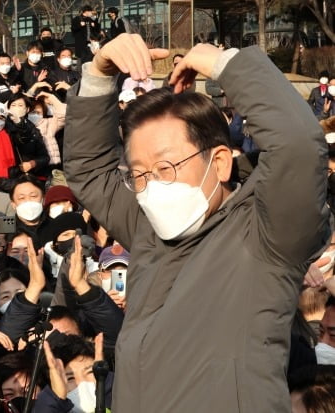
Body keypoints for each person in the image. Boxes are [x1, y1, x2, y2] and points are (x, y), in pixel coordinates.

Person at [63, 33, 329, 411]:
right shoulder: (148, 228)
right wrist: (98, 76)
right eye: (139, 173)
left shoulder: (267, 235)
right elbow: (89, 170)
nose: (151, 185)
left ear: (219, 162)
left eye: (167, 167)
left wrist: (228, 66)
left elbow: (299, 148)